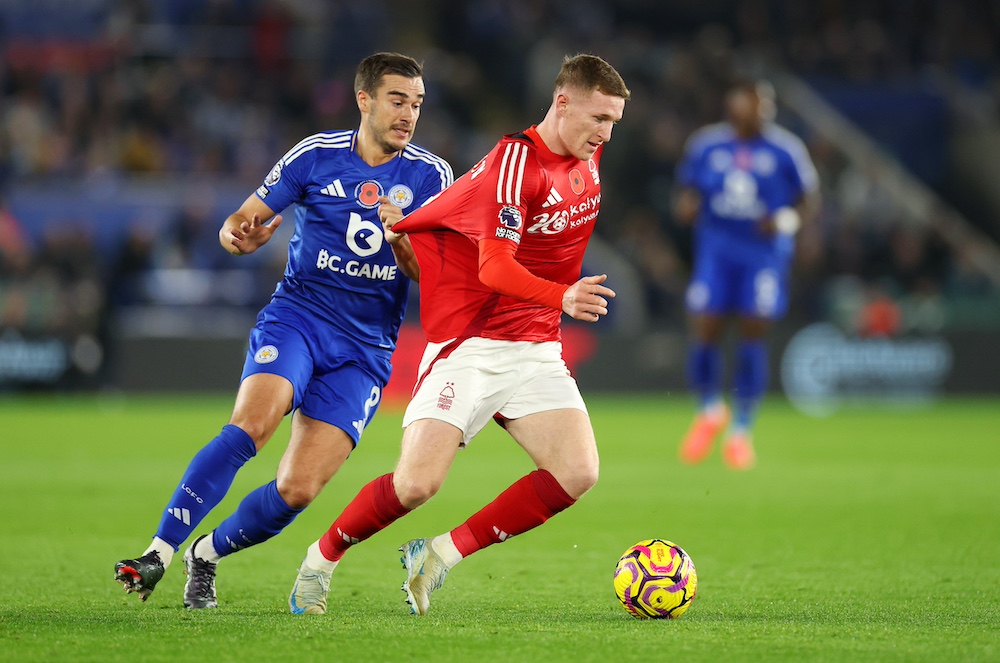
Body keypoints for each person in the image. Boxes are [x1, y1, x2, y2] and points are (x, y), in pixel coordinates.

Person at [286, 53, 629, 617]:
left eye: (613, 122)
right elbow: (495, 268)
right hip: (470, 344)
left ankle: (440, 554)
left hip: (536, 349)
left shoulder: (588, 165)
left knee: (578, 471)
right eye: (597, 118)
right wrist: (562, 297)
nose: (605, 133)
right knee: (417, 485)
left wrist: (549, 308)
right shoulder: (517, 161)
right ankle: (318, 562)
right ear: (561, 102)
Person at [113, 52, 453, 609]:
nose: (408, 114)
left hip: (365, 348)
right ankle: (158, 551)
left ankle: (207, 554)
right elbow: (239, 221)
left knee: (298, 489)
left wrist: (401, 240)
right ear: (363, 99)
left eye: (416, 103)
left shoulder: (431, 175)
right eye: (397, 100)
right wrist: (236, 238)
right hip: (300, 317)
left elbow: (432, 275)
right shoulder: (315, 155)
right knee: (251, 424)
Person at [674, 79, 819, 470]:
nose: (762, 110)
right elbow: (686, 192)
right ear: (734, 104)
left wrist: (786, 220)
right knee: (705, 328)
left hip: (763, 258)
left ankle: (741, 431)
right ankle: (708, 410)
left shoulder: (786, 149)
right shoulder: (706, 145)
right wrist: (686, 207)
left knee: (752, 333)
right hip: (716, 255)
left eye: (767, 104)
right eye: (755, 102)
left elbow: (809, 199)